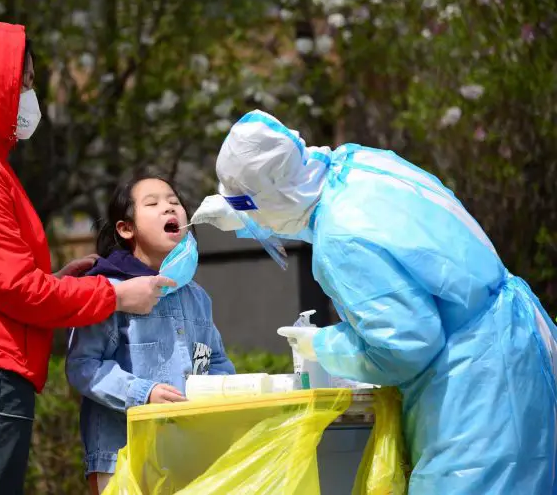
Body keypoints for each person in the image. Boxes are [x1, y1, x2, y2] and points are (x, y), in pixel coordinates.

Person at [192, 109, 557, 495]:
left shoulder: (342, 241)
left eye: (252, 210)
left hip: (479, 391)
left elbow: (406, 346)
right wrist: (241, 212)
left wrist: (322, 345)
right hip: (511, 349)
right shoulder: (354, 165)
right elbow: (325, 213)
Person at [0, 21, 174, 495]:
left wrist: (57, 280)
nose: (30, 96)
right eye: (24, 83)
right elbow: (16, 290)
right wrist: (114, 294)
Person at [66, 172, 236, 495]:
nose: (169, 209)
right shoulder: (107, 290)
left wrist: (229, 389)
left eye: (175, 203)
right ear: (125, 228)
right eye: (153, 203)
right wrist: (142, 393)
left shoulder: (197, 297)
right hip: (122, 457)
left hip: (190, 454)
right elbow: (82, 366)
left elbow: (215, 361)